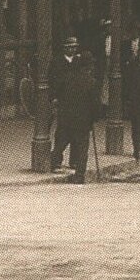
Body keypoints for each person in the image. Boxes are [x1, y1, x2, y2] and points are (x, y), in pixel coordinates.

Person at [50, 36, 100, 182]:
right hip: (83, 120)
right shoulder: (91, 82)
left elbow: (62, 92)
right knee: (82, 146)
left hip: (67, 116)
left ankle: (53, 161)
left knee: (62, 141)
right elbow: (95, 104)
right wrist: (94, 118)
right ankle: (79, 176)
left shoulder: (69, 79)